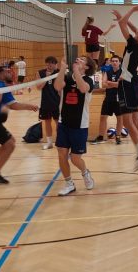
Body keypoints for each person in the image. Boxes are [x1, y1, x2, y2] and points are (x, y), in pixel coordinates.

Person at [111, 5, 138, 170]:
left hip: (127, 84)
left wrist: (130, 12)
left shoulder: (133, 45)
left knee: (128, 122)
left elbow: (123, 24)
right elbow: (133, 28)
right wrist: (124, 17)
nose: (136, 32)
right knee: (135, 121)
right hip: (134, 83)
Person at [0, 66, 39, 184]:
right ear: (0, 74)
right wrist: (29, 106)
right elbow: (6, 103)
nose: (10, 73)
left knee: (10, 141)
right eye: (7, 71)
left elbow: (11, 105)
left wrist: (28, 107)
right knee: (10, 145)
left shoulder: (1, 85)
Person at [54, 57, 97, 196]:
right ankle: (69, 184)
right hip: (63, 122)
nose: (78, 59)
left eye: (82, 60)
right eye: (78, 58)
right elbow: (57, 86)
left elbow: (83, 88)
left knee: (75, 158)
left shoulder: (89, 80)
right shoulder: (67, 77)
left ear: (87, 67)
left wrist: (76, 71)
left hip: (80, 125)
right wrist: (62, 68)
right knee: (61, 154)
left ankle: (85, 173)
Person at [91, 55, 124, 145]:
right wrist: (114, 83)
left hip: (119, 98)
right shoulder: (107, 72)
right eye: (113, 61)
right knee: (103, 117)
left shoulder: (122, 72)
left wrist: (110, 83)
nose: (114, 62)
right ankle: (101, 136)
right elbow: (104, 84)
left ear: (119, 62)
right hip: (108, 98)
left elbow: (121, 85)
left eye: (116, 61)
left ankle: (118, 136)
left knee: (120, 118)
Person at [36, 56, 61, 150]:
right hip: (45, 102)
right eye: (48, 63)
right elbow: (38, 87)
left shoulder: (59, 72)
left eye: (51, 63)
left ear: (55, 64)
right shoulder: (40, 73)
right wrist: (46, 78)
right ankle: (49, 143)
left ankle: (60, 142)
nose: (49, 65)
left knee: (58, 122)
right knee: (47, 122)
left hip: (57, 102)